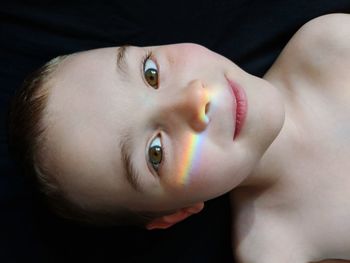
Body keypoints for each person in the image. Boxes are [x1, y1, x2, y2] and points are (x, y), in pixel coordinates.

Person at [7, 13, 350, 262]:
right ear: (175, 213)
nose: (194, 98)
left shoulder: (329, 44)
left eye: (151, 73)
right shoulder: (277, 250)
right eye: (156, 152)